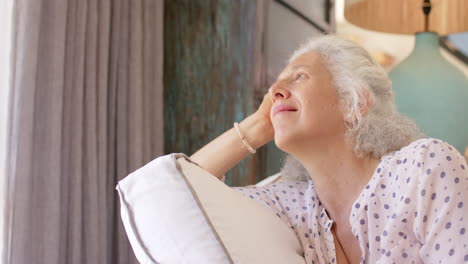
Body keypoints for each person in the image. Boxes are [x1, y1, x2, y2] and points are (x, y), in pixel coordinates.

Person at [189, 34, 468, 264]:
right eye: (276, 85)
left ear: (354, 103)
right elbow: (181, 194)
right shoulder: (288, 204)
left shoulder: (425, 167)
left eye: (299, 76)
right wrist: (256, 128)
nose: (275, 90)